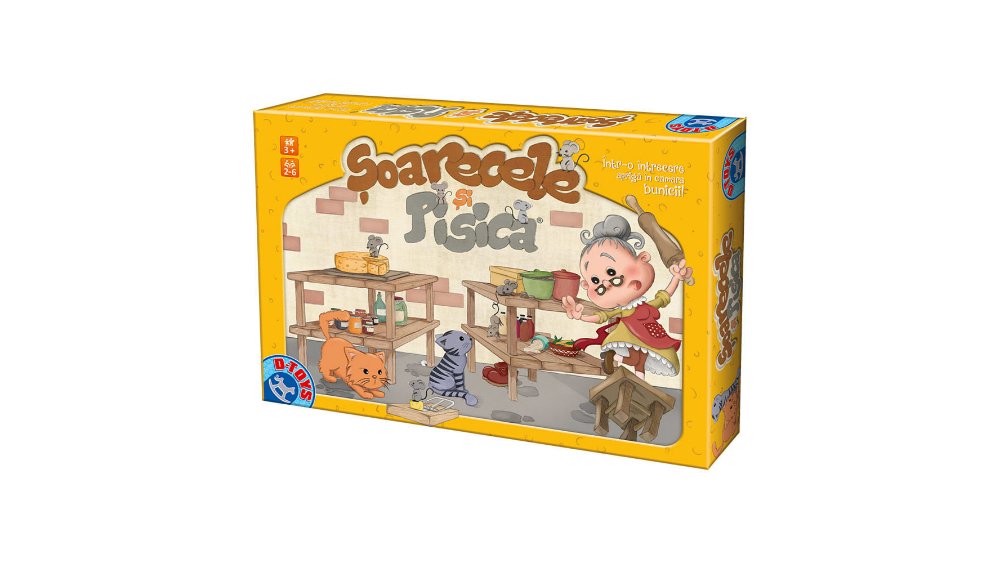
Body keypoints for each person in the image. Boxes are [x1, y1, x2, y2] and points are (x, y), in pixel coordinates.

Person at [562, 214, 692, 379]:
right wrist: (580, 317)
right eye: (595, 281)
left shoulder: (645, 306)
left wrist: (676, 278)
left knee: (639, 360)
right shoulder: (624, 310)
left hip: (651, 335)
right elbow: (602, 316)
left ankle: (622, 365)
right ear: (586, 285)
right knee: (638, 360)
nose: (606, 283)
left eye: (611, 272)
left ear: (642, 259)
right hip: (628, 335)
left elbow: (664, 296)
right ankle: (630, 372)